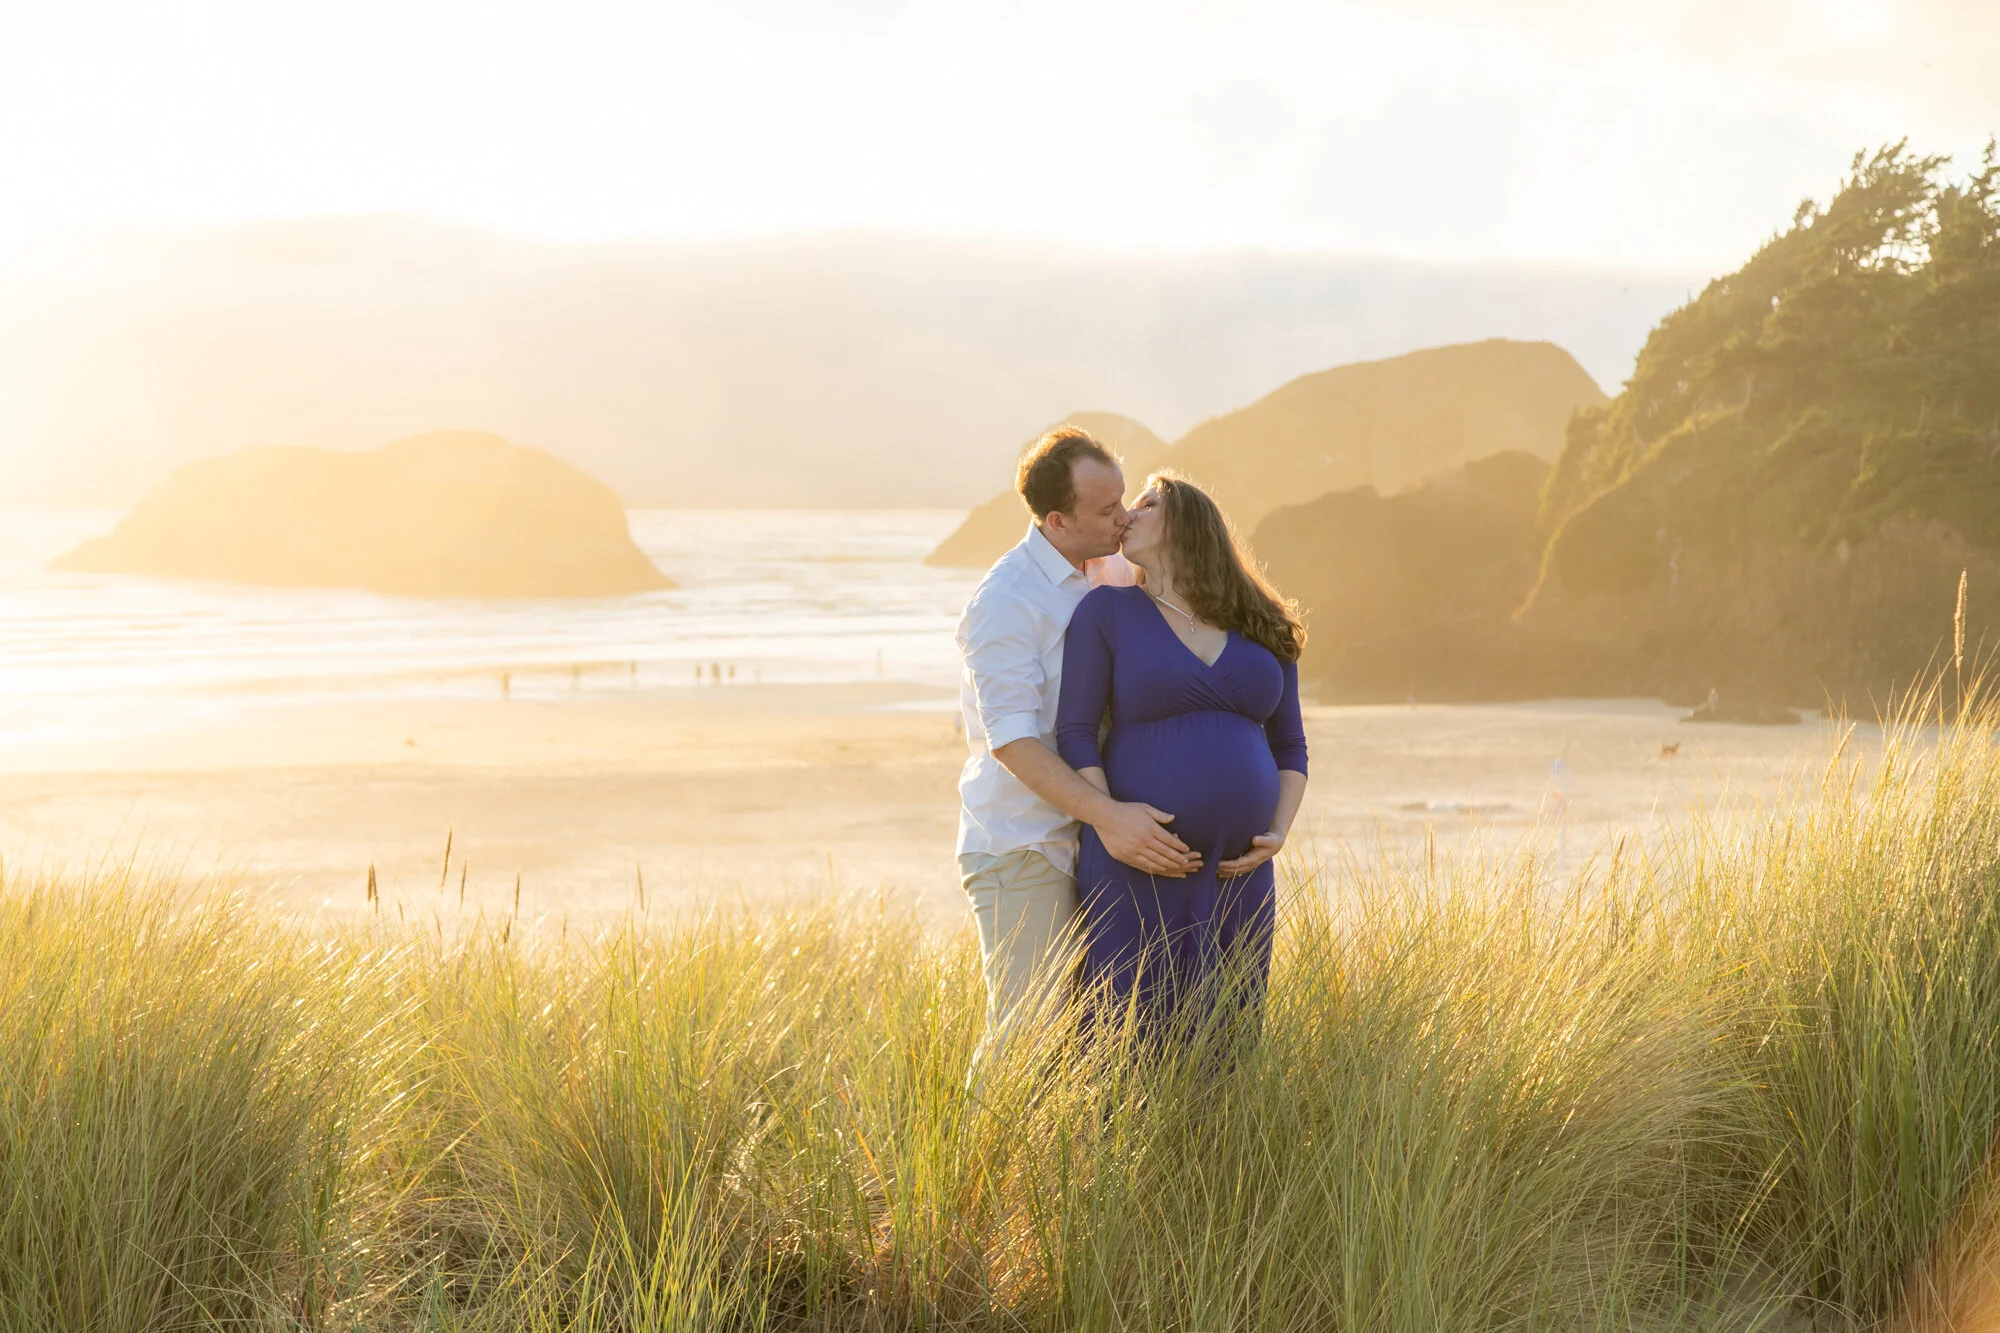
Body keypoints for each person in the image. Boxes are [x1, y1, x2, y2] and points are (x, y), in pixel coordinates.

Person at [955, 428, 1201, 1086]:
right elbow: (1012, 741)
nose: (1122, 517)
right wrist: (1110, 816)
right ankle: (968, 1183)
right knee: (1026, 1029)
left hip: (1089, 848)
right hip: (1024, 847)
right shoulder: (1008, 602)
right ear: (1057, 520)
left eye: (1124, 500)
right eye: (1103, 510)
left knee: (1086, 1035)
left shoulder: (1107, 573)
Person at [1055, 471, 1308, 1047]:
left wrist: (1277, 830)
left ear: (1189, 521)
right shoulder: (1108, 612)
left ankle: (1216, 1143)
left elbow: (1290, 746)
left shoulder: (1261, 624)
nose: (1126, 516)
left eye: (1144, 504)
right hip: (1135, 860)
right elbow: (1074, 732)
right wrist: (1114, 822)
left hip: (1237, 870)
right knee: (1126, 1034)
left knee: (1229, 1034)